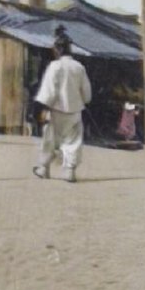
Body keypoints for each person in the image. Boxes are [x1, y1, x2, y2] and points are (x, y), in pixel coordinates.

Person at [33, 26, 92, 183]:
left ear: (57, 49)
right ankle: (69, 171)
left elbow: (49, 92)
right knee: (72, 141)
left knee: (50, 139)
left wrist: (42, 108)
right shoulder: (79, 67)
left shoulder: (55, 66)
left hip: (56, 110)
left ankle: (44, 168)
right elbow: (87, 92)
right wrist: (83, 101)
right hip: (74, 111)